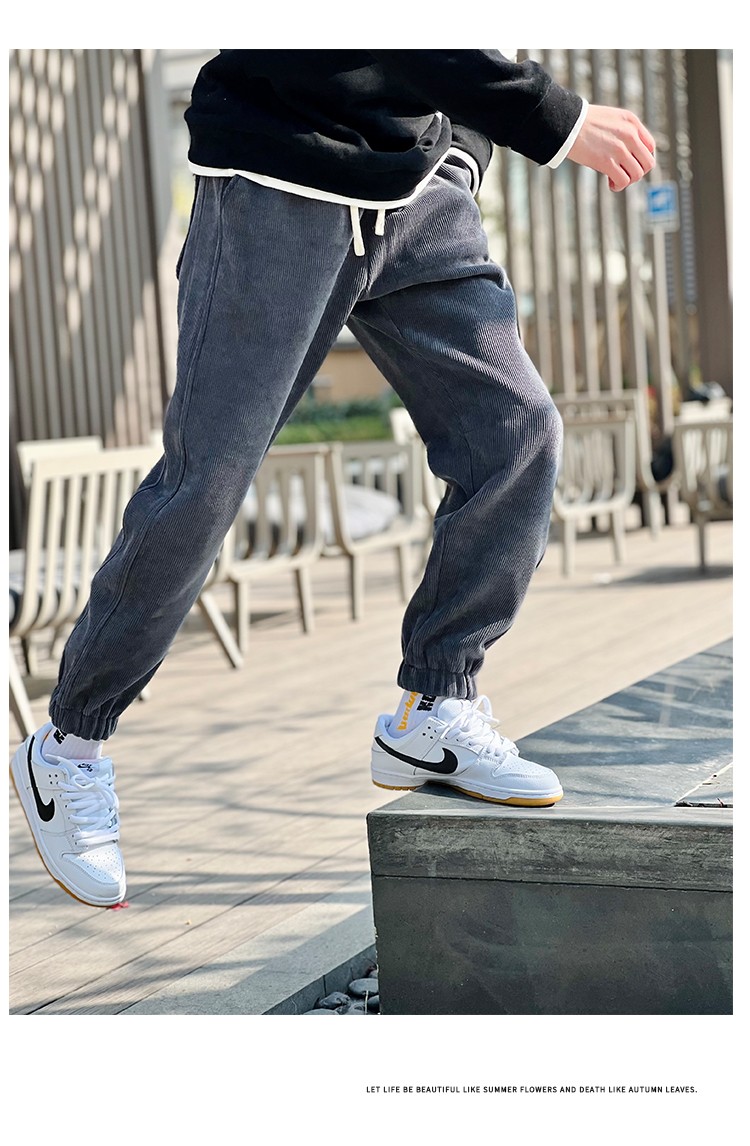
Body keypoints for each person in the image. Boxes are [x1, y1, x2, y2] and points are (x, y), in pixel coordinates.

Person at [10, 50, 656, 907]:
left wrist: (461, 154)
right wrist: (559, 121)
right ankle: (68, 746)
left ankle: (437, 702)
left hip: (420, 192)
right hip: (284, 174)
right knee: (208, 481)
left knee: (517, 431)